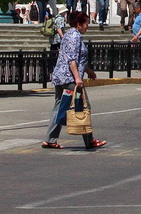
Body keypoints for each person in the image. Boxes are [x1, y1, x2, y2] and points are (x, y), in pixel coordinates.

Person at [42, 10, 106, 150]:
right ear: (78, 24)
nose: (87, 26)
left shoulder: (69, 35)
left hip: (61, 77)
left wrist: (88, 71)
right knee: (83, 106)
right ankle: (89, 141)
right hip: (69, 78)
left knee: (59, 107)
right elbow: (72, 60)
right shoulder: (74, 36)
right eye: (86, 24)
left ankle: (50, 139)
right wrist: (77, 78)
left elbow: (73, 57)